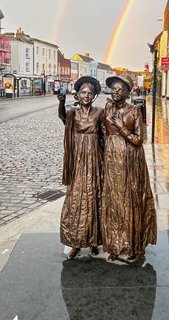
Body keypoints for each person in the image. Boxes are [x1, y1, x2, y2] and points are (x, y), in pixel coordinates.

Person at [101, 73, 157, 263]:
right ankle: (115, 244)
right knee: (114, 203)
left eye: (120, 89)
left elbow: (138, 140)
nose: (115, 92)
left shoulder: (134, 110)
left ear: (127, 92)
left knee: (129, 203)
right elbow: (101, 131)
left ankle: (135, 247)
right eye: (113, 89)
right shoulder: (107, 108)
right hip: (111, 161)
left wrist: (121, 128)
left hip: (129, 162)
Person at [57, 76, 104, 260]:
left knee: (94, 198)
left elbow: (106, 134)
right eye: (83, 92)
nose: (86, 95)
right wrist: (61, 104)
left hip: (95, 160)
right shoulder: (72, 113)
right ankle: (76, 242)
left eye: (89, 93)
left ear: (94, 96)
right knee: (76, 200)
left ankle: (94, 241)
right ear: (77, 94)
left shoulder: (99, 112)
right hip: (78, 160)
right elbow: (62, 118)